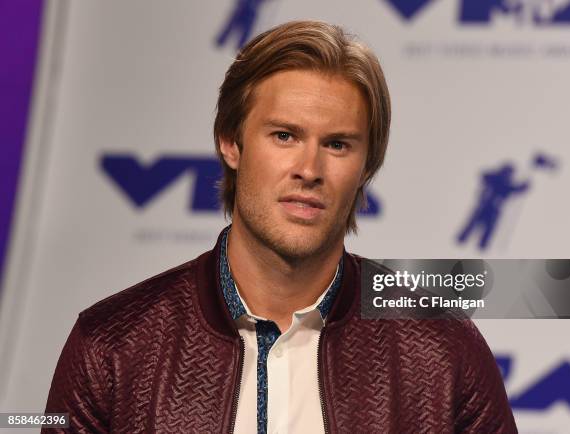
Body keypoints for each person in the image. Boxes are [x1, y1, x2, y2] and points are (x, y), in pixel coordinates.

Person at [44, 20, 517, 433]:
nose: (309, 169)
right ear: (230, 143)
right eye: (285, 136)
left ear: (366, 166)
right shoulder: (112, 346)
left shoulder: (443, 351)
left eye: (336, 144)